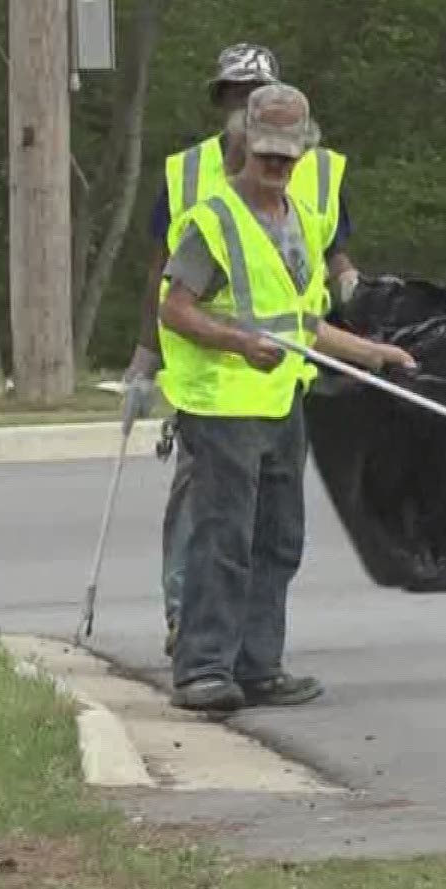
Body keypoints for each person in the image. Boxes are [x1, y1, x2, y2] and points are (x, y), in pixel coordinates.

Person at [153, 83, 414, 713]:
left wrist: (375, 355)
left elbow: (302, 322)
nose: (275, 166)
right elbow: (175, 308)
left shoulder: (297, 219)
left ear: (303, 153)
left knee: (278, 539)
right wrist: (238, 343)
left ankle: (257, 664)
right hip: (221, 407)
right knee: (223, 538)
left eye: (286, 156)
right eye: (264, 152)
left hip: (281, 403)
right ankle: (203, 668)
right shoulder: (213, 221)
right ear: (244, 143)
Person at [121, 42, 363, 652]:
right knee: (212, 524)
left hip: (284, 387)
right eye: (232, 94)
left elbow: (325, 268)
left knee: (276, 533)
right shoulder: (191, 176)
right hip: (216, 389)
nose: (241, 105)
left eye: (251, 93)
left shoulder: (317, 171)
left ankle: (254, 658)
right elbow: (165, 283)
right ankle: (195, 637)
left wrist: (364, 327)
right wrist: (144, 363)